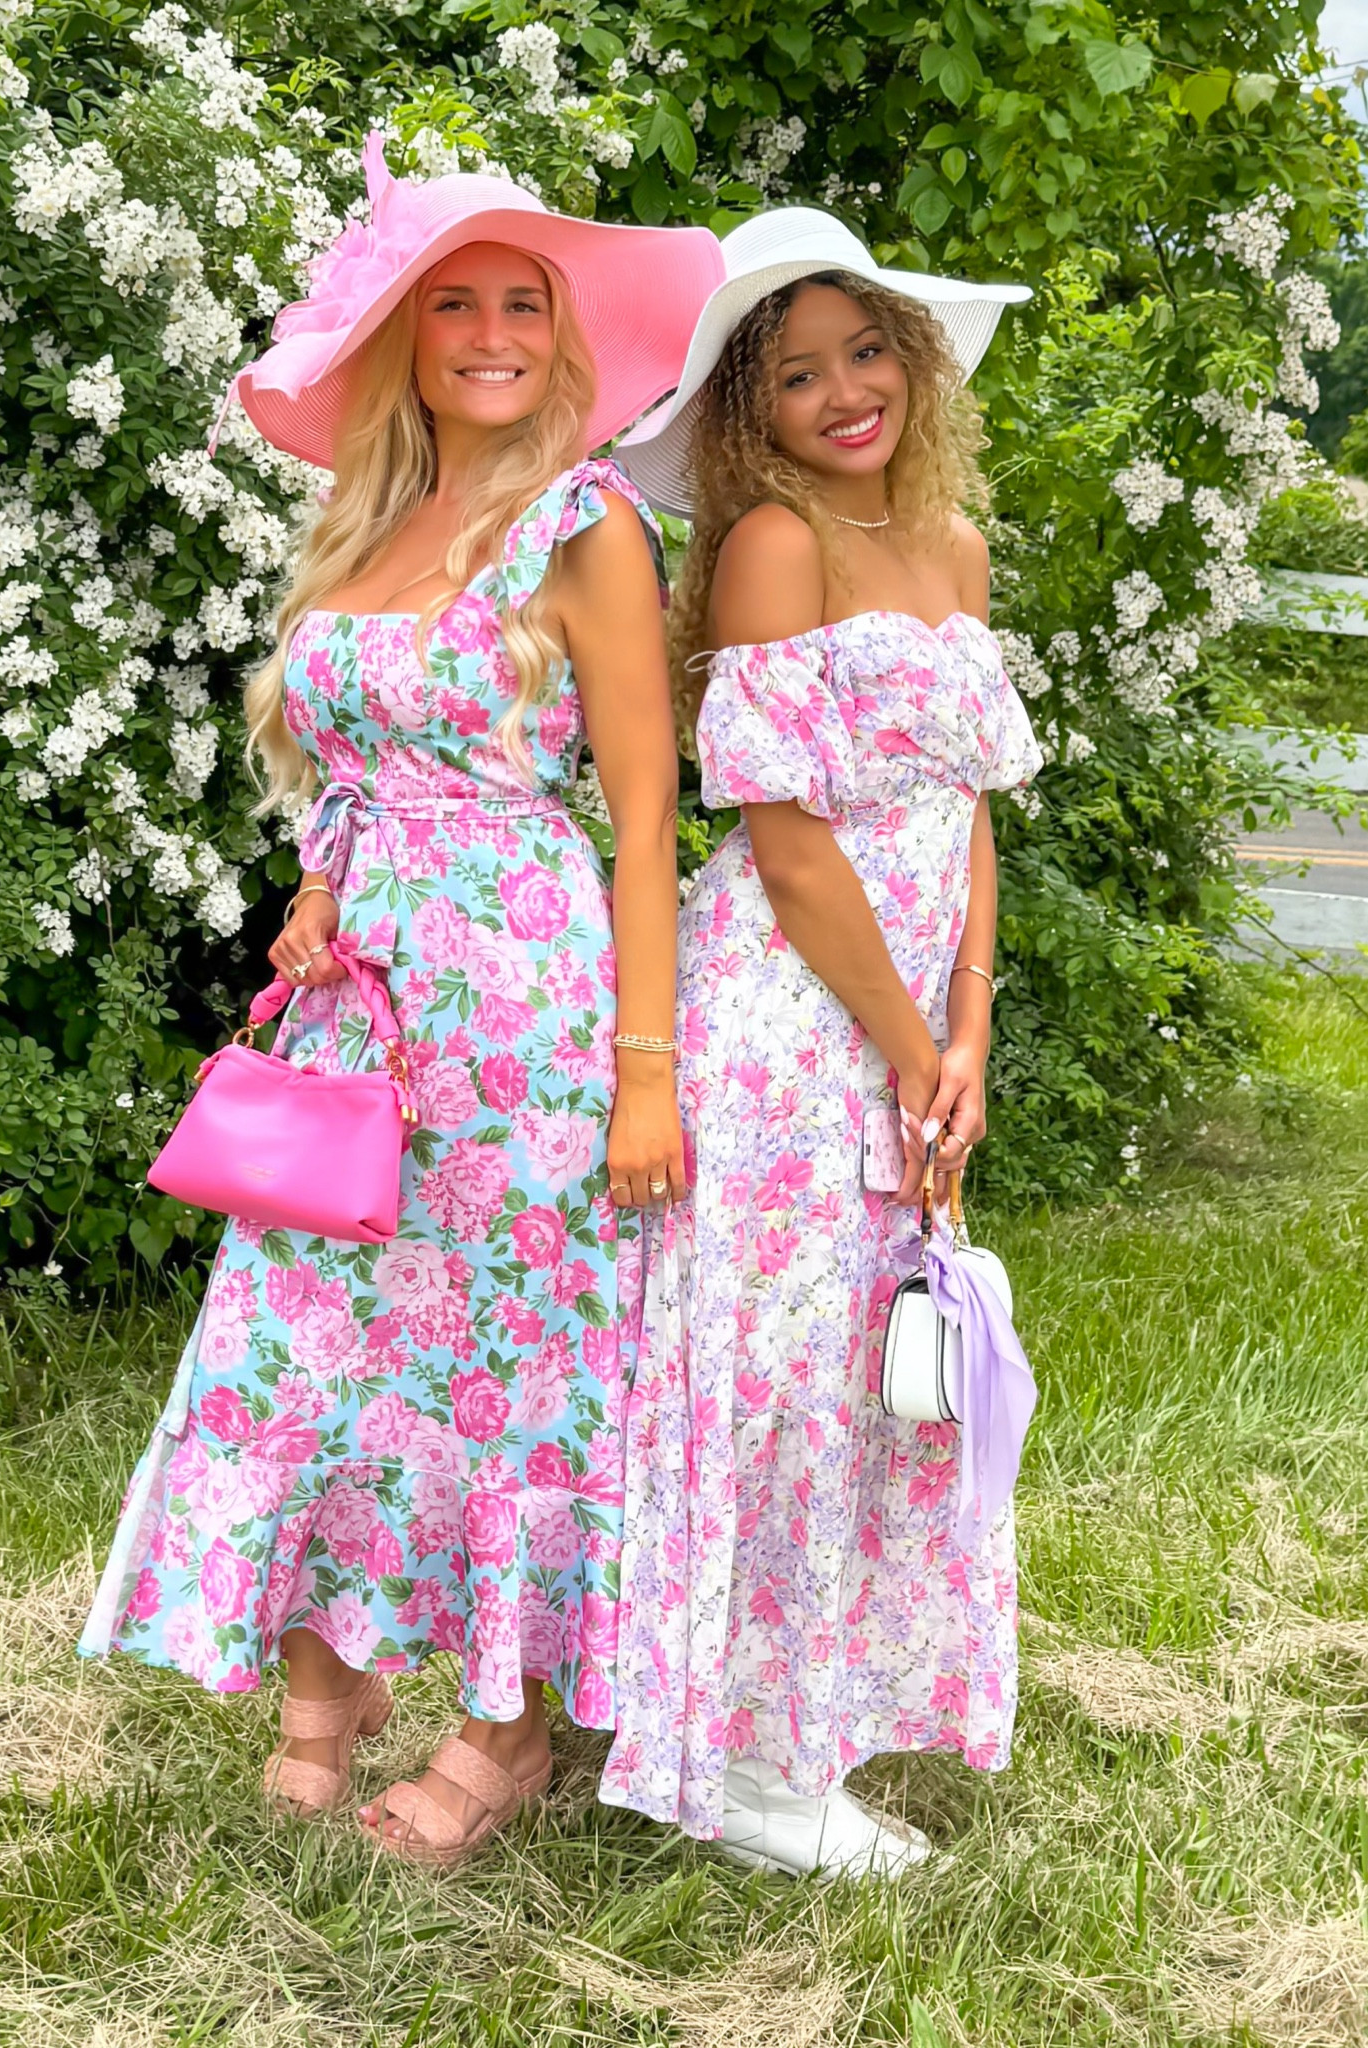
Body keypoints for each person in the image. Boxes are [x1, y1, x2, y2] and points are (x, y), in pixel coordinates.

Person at [79, 136, 723, 1868]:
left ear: (562, 340)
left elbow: (646, 822)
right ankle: (329, 1675)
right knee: (311, 1330)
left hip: (525, 1013)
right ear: (403, 337)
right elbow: (353, 771)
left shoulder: (584, 522)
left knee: (512, 1360)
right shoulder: (368, 518)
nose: (496, 332)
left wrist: (644, 1071)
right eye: (458, 304)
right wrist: (311, 894)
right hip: (361, 1007)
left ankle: (504, 1730)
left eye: (525, 304)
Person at [598, 208, 1041, 1877]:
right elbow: (786, 845)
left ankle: (803, 1717)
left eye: (865, 351)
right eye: (796, 373)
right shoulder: (774, 547)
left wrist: (967, 1026)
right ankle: (750, 1771)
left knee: (876, 1381)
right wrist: (898, 1039)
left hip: (909, 1018)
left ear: (912, 362)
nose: (843, 391)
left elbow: (965, 814)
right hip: (789, 1023)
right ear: (748, 412)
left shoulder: (949, 548)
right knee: (778, 1376)